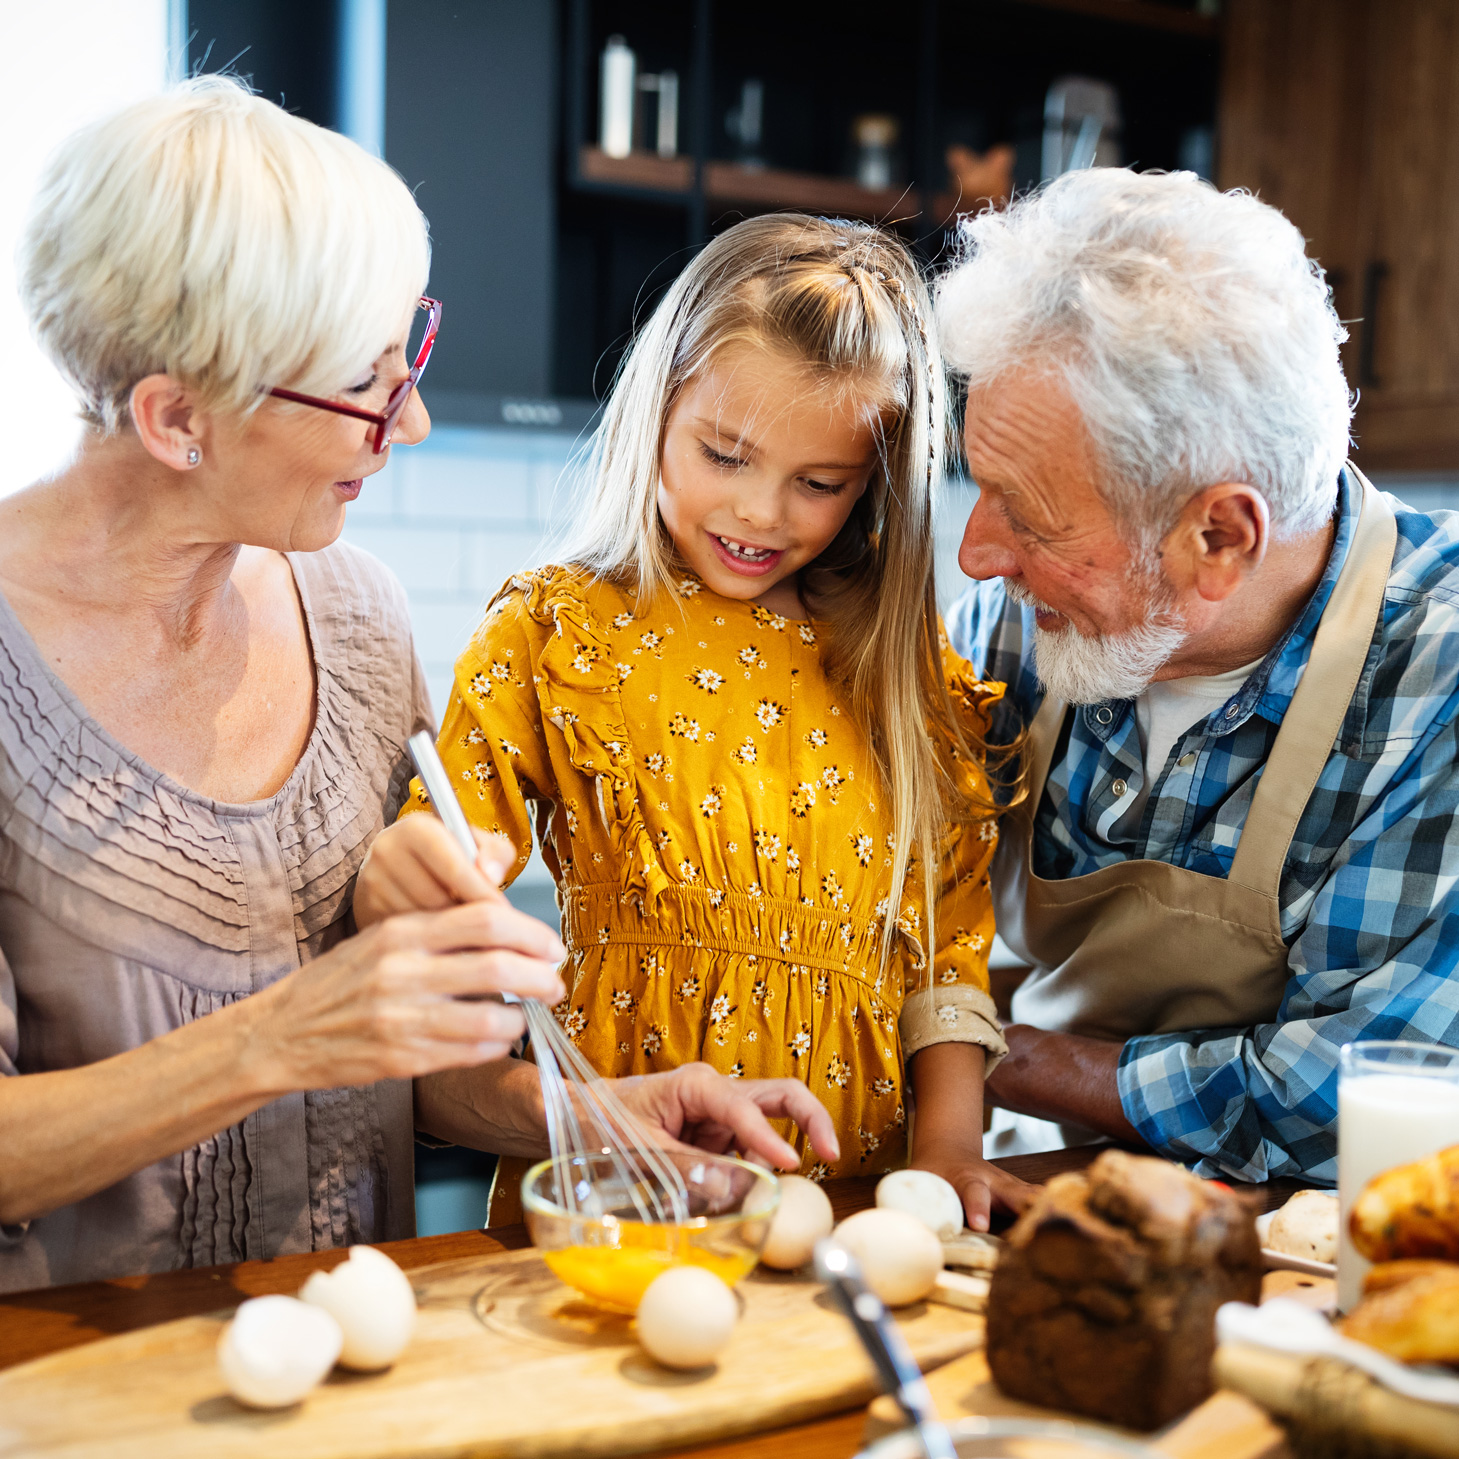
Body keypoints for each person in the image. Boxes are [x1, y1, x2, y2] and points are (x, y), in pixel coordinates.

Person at [0, 80, 835, 1293]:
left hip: (368, 1353)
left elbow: (405, 1066)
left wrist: (597, 1112)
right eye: (367, 386)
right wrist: (280, 1036)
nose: (417, 419)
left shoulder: (356, 615)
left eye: (412, 356)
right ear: (178, 419)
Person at [356, 215, 1031, 1229]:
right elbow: (442, 873)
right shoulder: (557, 632)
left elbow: (946, 962)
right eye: (726, 455)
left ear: (876, 483)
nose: (762, 513)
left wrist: (944, 1154)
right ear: (657, 411)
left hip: (849, 1210)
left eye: (819, 485)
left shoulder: (910, 682)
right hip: (613, 1203)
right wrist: (403, 872)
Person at [939, 166, 1459, 1183]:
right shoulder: (1020, 624)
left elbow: (1343, 1105)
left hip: (1297, 1264)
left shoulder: (1431, 677)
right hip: (1037, 1188)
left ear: (1218, 535)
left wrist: (983, 1057)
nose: (975, 554)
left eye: (1031, 518)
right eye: (980, 489)